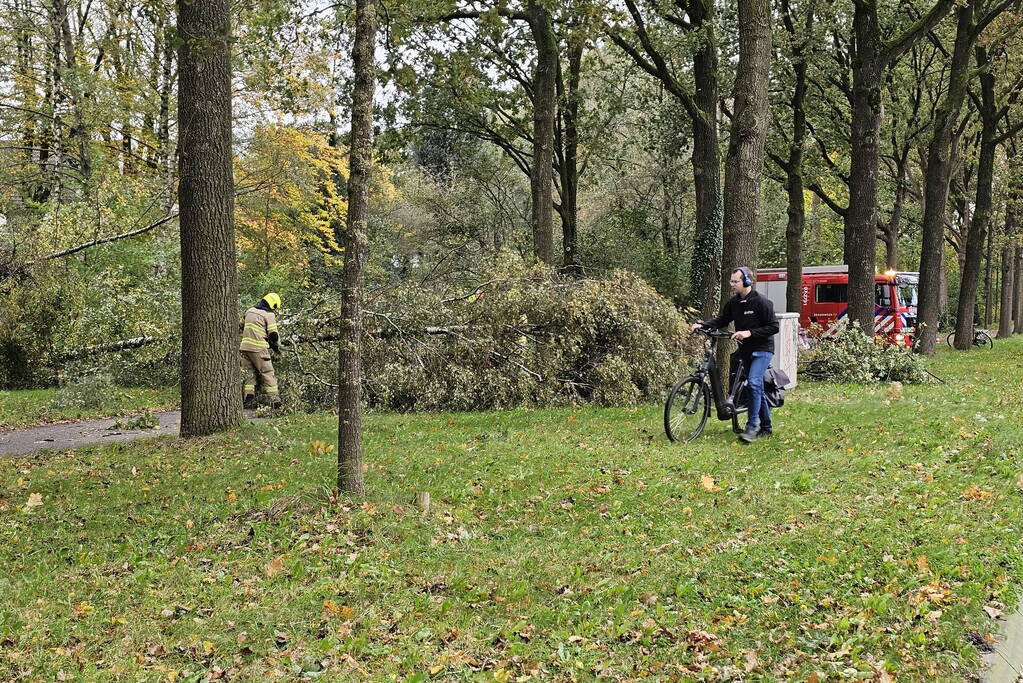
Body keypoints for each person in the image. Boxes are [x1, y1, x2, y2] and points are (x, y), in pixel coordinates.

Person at [690, 267, 779, 442]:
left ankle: (752, 426)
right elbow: (722, 320)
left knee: (753, 383)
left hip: (762, 349)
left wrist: (749, 333)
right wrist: (703, 325)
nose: (732, 284)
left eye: (735, 281)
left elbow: (773, 327)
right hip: (745, 350)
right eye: (731, 281)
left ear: (746, 282)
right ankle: (766, 427)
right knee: (757, 388)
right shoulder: (733, 303)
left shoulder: (762, 302)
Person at [240, 292, 283, 409]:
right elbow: (273, 335)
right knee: (268, 373)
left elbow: (241, 326)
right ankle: (275, 401)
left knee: (249, 373)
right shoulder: (268, 315)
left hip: (245, 348)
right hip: (259, 348)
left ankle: (248, 400)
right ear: (273, 304)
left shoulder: (249, 311)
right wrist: (277, 349)